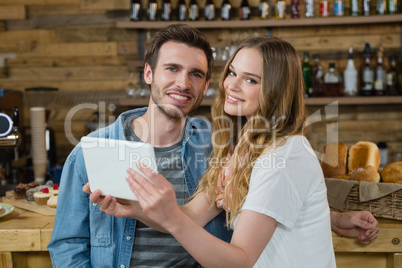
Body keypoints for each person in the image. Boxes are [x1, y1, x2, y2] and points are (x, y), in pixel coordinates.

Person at [88, 36, 379, 267]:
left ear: (275, 91)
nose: (231, 85)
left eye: (251, 80)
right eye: (232, 73)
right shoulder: (241, 146)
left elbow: (239, 260)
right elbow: (191, 216)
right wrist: (137, 208)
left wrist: (170, 217)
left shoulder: (284, 155)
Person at [47, 24, 232, 268]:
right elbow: (67, 245)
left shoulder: (220, 148)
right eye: (172, 69)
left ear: (206, 86)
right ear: (148, 73)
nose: (184, 83)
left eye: (195, 74)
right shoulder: (87, 154)